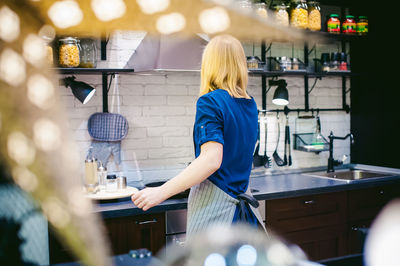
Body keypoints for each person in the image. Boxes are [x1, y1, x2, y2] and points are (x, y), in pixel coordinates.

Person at [131, 34, 264, 237]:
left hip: (217, 214)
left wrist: (160, 192)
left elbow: (211, 160)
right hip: (244, 215)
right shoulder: (250, 104)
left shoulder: (210, 102)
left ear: (209, 63)